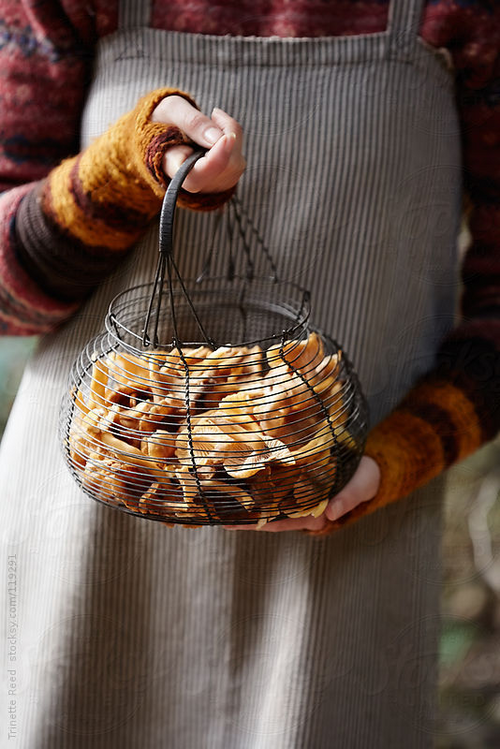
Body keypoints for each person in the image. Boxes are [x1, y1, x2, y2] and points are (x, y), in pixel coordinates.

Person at [0, 0, 498, 746]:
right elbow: (7, 302)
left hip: (343, 557)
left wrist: (395, 459)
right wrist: (124, 171)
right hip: (91, 542)